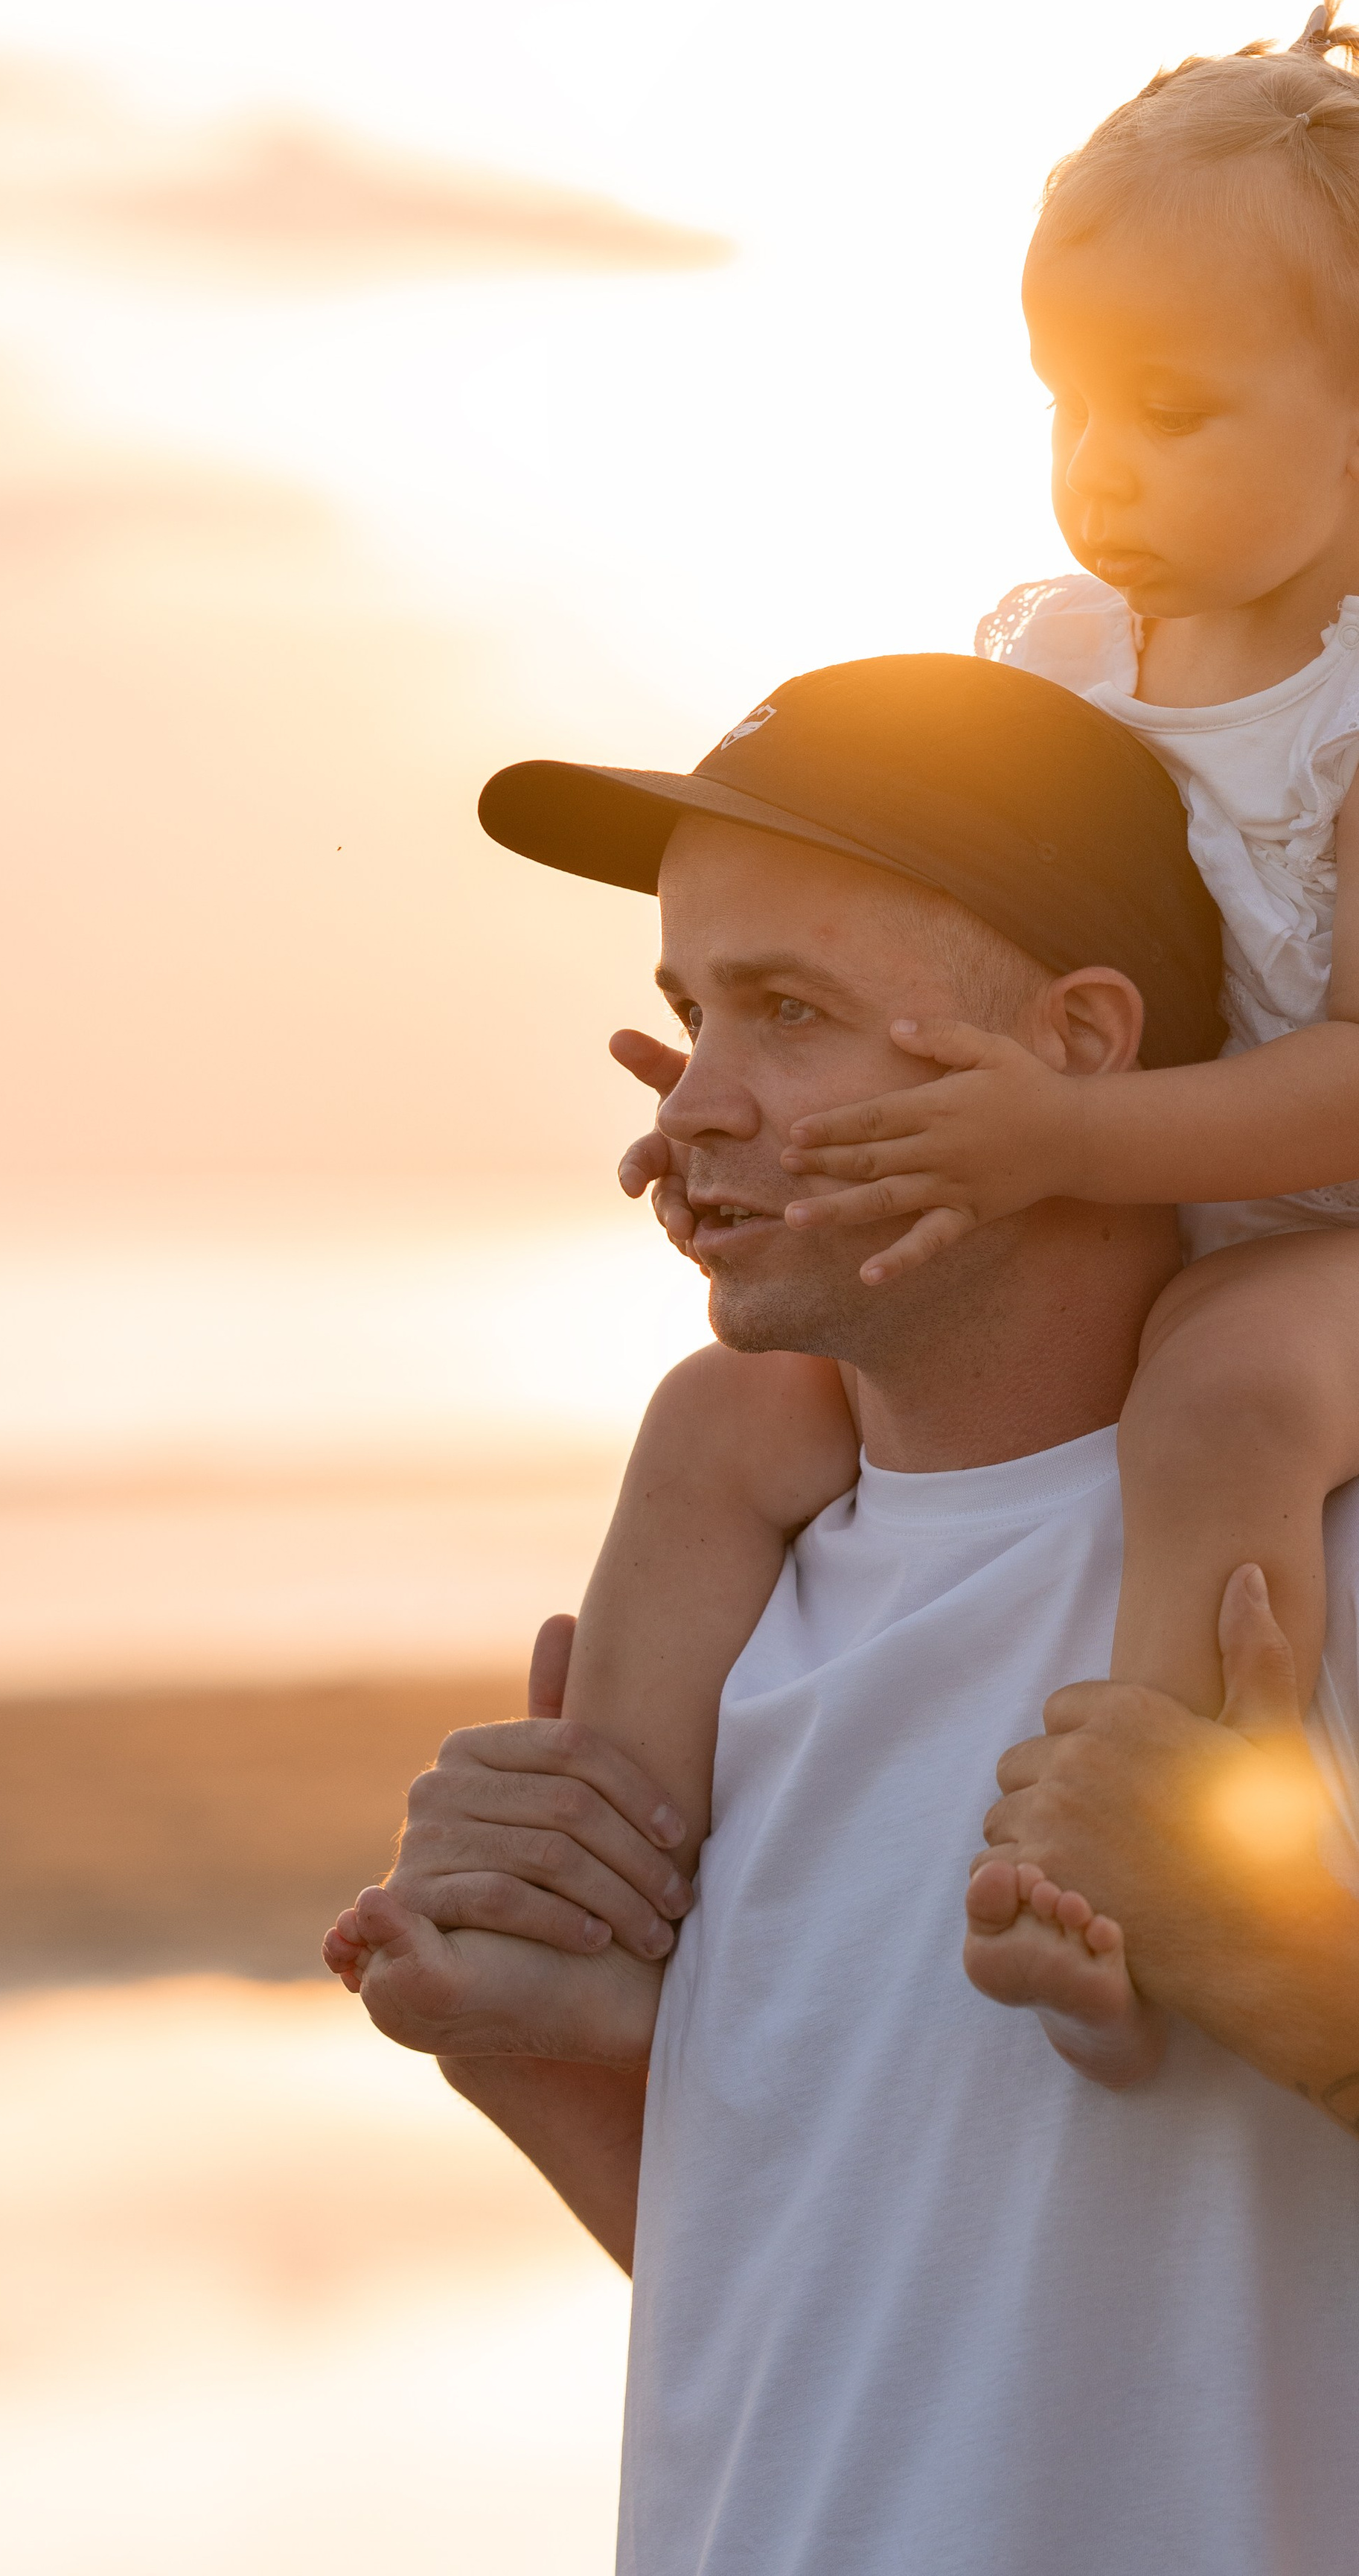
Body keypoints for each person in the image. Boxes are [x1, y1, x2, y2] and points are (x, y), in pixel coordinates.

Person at [380, 0, 1359, 2096]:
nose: (1104, 467)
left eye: (1175, 409)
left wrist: (1062, 1145)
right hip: (1126, 1191)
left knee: (1231, 1380)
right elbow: (984, 936)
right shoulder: (1070, 659)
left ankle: (1158, 1861)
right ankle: (599, 1915)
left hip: (1317, 1237)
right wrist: (778, 1106)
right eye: (1068, 404)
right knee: (720, 1416)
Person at [326, 666, 1359, 2571]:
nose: (690, 1110)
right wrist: (520, 2048)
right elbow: (842, 2320)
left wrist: (1293, 1971)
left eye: (785, 1014)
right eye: (687, 1018)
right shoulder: (728, 1598)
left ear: (1079, 1044)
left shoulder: (1296, 1558)